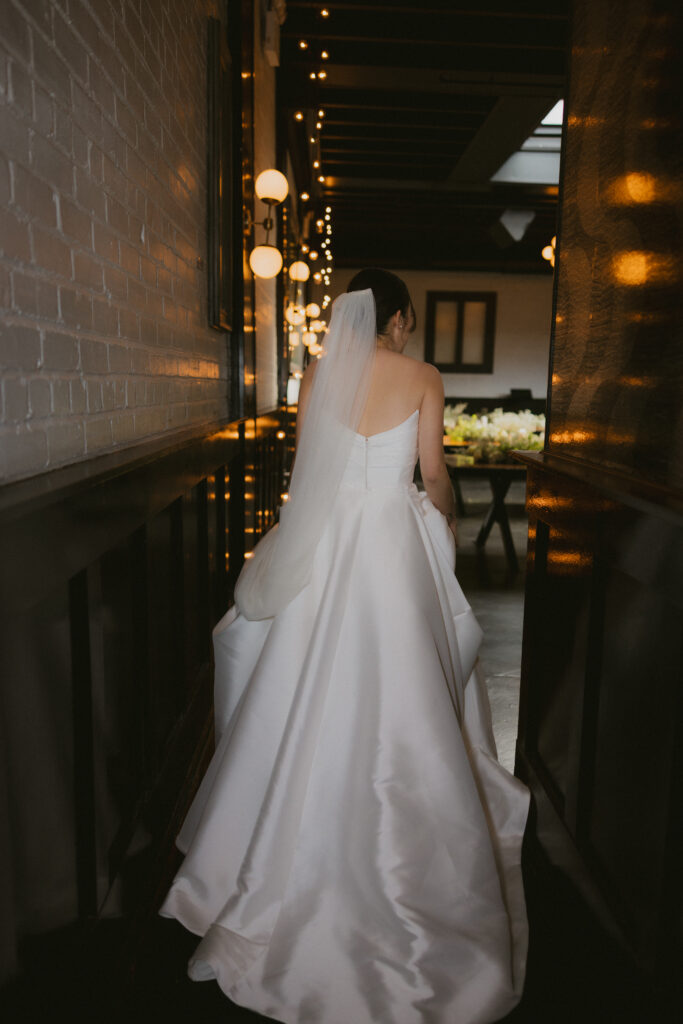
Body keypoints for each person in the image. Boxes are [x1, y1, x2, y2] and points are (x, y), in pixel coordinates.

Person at [160, 269, 529, 1023]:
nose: (408, 330)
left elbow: (310, 473)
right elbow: (433, 473)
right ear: (397, 318)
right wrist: (445, 523)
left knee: (303, 675)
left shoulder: (318, 376)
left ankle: (274, 840)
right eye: (408, 319)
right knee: (404, 678)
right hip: (391, 541)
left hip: (326, 538)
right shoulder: (423, 376)